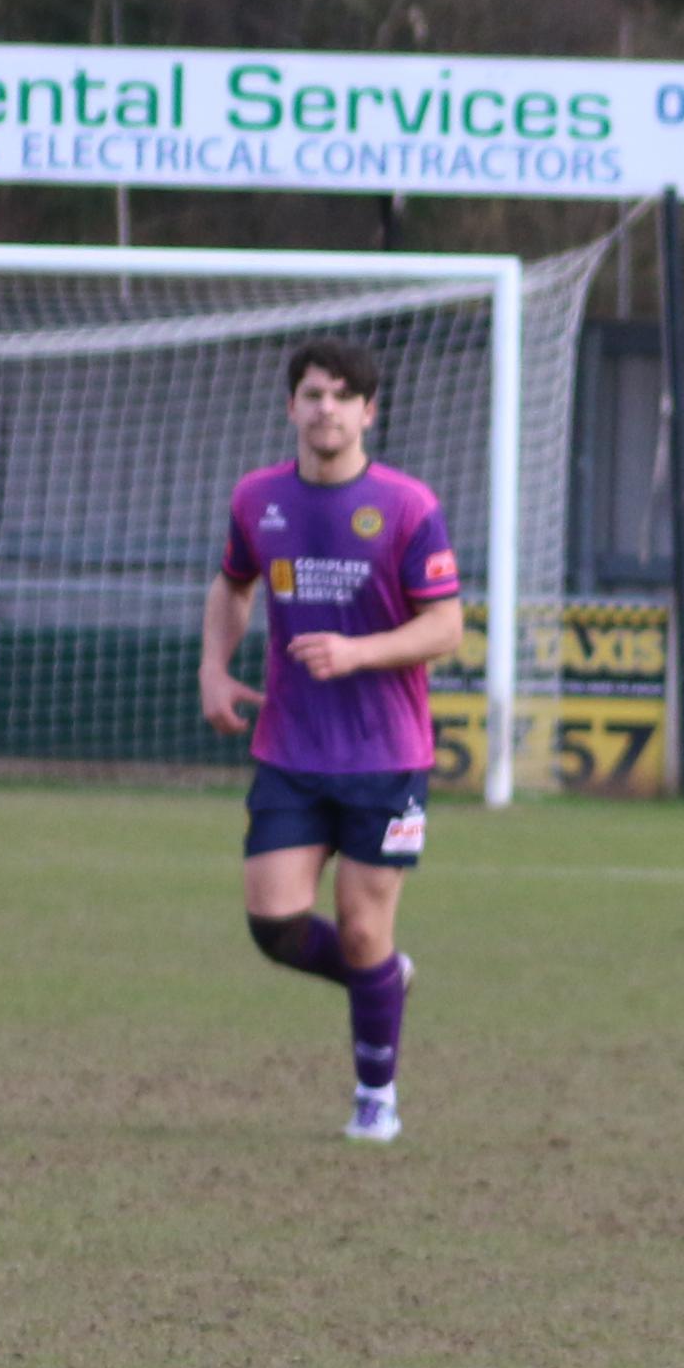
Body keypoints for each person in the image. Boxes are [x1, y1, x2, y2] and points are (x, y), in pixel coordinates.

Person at [197, 340, 464, 1142]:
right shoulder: (258, 498)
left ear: (368, 413)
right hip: (290, 750)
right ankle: (383, 981)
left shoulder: (408, 507)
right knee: (273, 923)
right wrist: (214, 668)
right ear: (291, 406)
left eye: (344, 396)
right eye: (313, 394)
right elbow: (233, 584)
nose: (327, 409)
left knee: (360, 927)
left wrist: (357, 652)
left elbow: (446, 626)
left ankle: (376, 1097)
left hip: (388, 758)